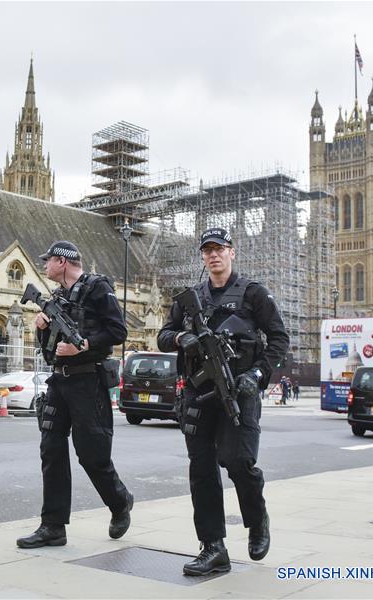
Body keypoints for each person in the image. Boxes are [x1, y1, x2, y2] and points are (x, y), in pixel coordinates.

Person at [158, 227, 289, 576]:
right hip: (199, 394)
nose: (213, 255)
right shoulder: (190, 298)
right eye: (207, 250)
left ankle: (257, 519)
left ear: (232, 252)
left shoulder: (253, 294)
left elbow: (279, 339)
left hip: (238, 390)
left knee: (238, 461)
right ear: (202, 257)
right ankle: (213, 547)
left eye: (220, 249)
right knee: (201, 471)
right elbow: (163, 335)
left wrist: (257, 375)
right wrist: (182, 337)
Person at [16, 240, 134, 549]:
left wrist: (83, 345)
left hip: (87, 382)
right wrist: (42, 326)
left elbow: (118, 332)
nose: (45, 266)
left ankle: (120, 502)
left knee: (92, 455)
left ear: (63, 262)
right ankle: (53, 526)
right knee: (51, 449)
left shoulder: (98, 287)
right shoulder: (58, 297)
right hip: (59, 382)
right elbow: (49, 350)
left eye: (49, 261)